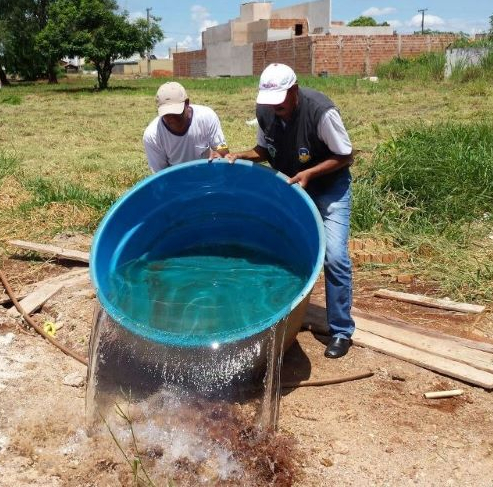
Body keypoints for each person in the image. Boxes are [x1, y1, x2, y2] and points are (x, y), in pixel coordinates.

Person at [214, 63, 355, 358]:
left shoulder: (320, 111)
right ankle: (275, 313)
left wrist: (310, 174)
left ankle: (341, 331)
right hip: (291, 188)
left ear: (294, 90)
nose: (275, 108)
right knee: (271, 248)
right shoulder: (266, 111)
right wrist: (241, 155)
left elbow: (345, 155)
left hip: (328, 188)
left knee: (335, 257)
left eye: (281, 100)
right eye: (271, 102)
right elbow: (264, 151)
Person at [143, 81, 229, 173]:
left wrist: (219, 156)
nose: (171, 118)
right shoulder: (152, 135)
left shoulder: (207, 117)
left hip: (205, 173)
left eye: (175, 112)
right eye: (166, 113)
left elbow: (222, 150)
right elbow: (159, 176)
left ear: (187, 103)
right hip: (175, 179)